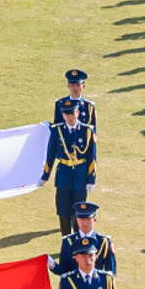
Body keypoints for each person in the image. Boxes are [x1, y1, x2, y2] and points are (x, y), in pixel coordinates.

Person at [40, 96, 96, 237]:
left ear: (77, 113)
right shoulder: (57, 130)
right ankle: (66, 240)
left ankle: (78, 241)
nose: (69, 117)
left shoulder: (87, 131)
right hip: (64, 175)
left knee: (79, 211)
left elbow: (92, 156)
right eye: (66, 114)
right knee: (63, 211)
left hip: (80, 175)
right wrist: (45, 176)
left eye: (72, 113)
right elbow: (51, 154)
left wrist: (91, 179)